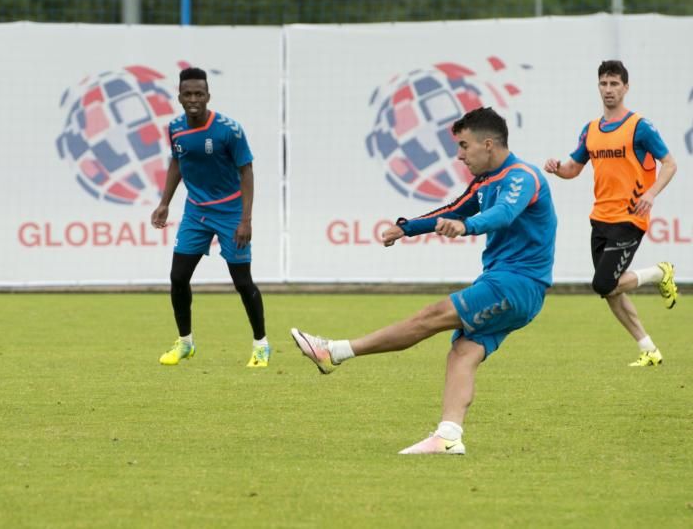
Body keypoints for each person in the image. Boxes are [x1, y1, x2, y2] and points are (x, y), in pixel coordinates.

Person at [292, 107, 556, 455]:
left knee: (430, 316)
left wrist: (467, 226)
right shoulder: (484, 181)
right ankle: (448, 436)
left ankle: (334, 352)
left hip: (516, 283)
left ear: (488, 144)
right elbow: (453, 209)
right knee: (463, 351)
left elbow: (502, 214)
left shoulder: (523, 176)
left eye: (464, 146)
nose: (459, 155)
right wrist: (407, 228)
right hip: (513, 286)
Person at [544, 60, 679, 367]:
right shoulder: (590, 130)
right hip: (600, 218)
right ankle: (649, 349)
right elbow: (573, 169)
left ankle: (661, 272)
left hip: (630, 217)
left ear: (626, 88)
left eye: (614, 83)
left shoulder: (640, 127)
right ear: (598, 87)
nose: (608, 89)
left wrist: (651, 193)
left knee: (604, 284)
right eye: (604, 83)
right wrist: (557, 169)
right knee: (611, 291)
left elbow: (670, 163)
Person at [151, 67, 269, 368]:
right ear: (179, 97)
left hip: (231, 212)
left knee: (242, 282)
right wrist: (164, 202)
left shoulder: (229, 129)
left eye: (199, 94)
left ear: (208, 96)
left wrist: (246, 220)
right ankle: (185, 343)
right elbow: (178, 161)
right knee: (178, 278)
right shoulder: (175, 127)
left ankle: (261, 346)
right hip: (196, 212)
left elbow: (246, 171)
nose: (193, 99)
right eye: (188, 94)